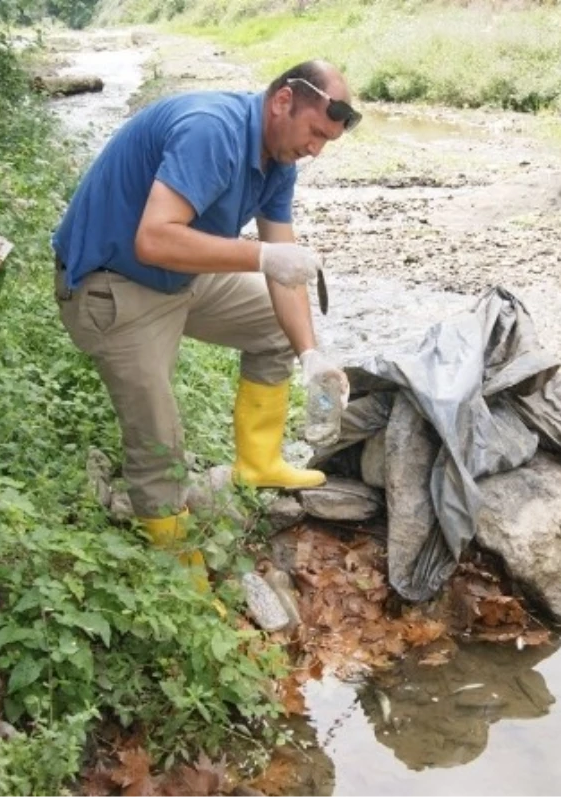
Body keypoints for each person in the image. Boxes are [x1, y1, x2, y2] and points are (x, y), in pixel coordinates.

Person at [52, 59, 360, 563]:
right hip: (111, 283)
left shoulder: (280, 158)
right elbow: (153, 239)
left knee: (278, 326)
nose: (315, 149)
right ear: (283, 101)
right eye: (314, 133)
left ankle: (258, 462)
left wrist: (311, 354)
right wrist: (261, 256)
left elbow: (284, 269)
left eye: (327, 141)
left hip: (180, 278)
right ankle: (176, 564)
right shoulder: (211, 130)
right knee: (158, 435)